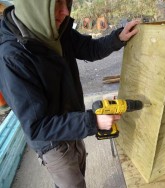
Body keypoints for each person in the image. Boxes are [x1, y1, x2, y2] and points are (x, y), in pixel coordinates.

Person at [0, 0, 139, 187]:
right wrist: (92, 122)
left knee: (80, 171)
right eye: (57, 4)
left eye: (67, 2)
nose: (65, 12)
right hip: (51, 142)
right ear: (36, 5)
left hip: (73, 123)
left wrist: (118, 38)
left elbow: (89, 49)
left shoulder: (55, 28)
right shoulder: (13, 56)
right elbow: (37, 126)